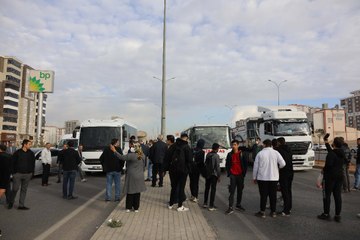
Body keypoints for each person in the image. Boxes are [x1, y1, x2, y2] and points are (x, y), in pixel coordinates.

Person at [253, 139, 286, 218]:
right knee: (273, 195)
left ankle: (262, 212)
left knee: (263, 195)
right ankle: (273, 212)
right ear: (271, 145)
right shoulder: (276, 153)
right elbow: (283, 164)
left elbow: (255, 167)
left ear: (264, 145)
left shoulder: (260, 154)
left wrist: (254, 177)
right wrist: (278, 168)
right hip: (274, 178)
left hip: (262, 178)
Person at [111, 142, 146, 212]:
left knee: (130, 191)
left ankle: (128, 207)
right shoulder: (142, 155)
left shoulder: (131, 155)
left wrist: (114, 151)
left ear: (135, 148)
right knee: (137, 192)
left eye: (132, 146)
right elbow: (143, 166)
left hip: (131, 176)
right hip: (140, 176)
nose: (131, 147)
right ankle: (136, 208)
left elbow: (121, 157)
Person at [318, 135, 344, 222]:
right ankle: (337, 215)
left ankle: (326, 214)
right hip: (340, 176)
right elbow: (331, 152)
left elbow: (328, 165)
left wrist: (323, 170)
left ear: (334, 144)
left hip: (330, 177)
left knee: (327, 196)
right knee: (337, 196)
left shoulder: (331, 154)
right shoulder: (341, 153)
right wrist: (326, 142)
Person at [166, 133, 193, 212]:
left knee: (173, 187)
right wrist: (188, 170)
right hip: (182, 171)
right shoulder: (186, 147)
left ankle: (171, 204)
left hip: (172, 170)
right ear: (186, 138)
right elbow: (190, 160)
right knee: (181, 188)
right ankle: (180, 206)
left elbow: (167, 157)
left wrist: (166, 169)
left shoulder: (173, 146)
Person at [8, 139, 35, 210]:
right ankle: (11, 201)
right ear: (24, 145)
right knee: (15, 189)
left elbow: (33, 164)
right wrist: (13, 173)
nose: (30, 145)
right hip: (18, 174)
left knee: (24, 190)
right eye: (29, 144)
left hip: (27, 174)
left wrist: (32, 173)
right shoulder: (17, 153)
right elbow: (12, 163)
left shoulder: (31, 153)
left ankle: (21, 205)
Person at [225, 140, 248, 215]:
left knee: (240, 190)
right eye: (232, 145)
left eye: (235, 145)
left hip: (240, 175)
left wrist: (243, 173)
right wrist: (229, 173)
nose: (233, 146)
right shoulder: (229, 154)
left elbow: (245, 164)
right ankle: (230, 207)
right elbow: (227, 164)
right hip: (233, 175)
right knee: (232, 191)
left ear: (238, 145)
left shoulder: (242, 154)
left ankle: (238, 204)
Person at [276, 137, 294, 216]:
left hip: (283, 173)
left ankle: (286, 210)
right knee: (289, 190)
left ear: (279, 143)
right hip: (291, 172)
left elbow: (279, 163)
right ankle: (289, 207)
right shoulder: (289, 149)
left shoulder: (279, 150)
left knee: (284, 191)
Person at [203, 143, 221, 211]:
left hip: (208, 174)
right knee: (213, 189)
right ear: (217, 148)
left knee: (207, 188)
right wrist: (219, 176)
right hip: (214, 175)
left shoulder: (208, 154)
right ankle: (211, 205)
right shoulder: (216, 156)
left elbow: (205, 164)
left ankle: (205, 203)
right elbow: (217, 167)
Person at [189, 139, 205, 203]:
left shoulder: (192, 149)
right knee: (196, 183)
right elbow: (201, 162)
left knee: (191, 182)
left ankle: (192, 195)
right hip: (197, 169)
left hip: (191, 168)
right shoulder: (202, 152)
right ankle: (195, 196)